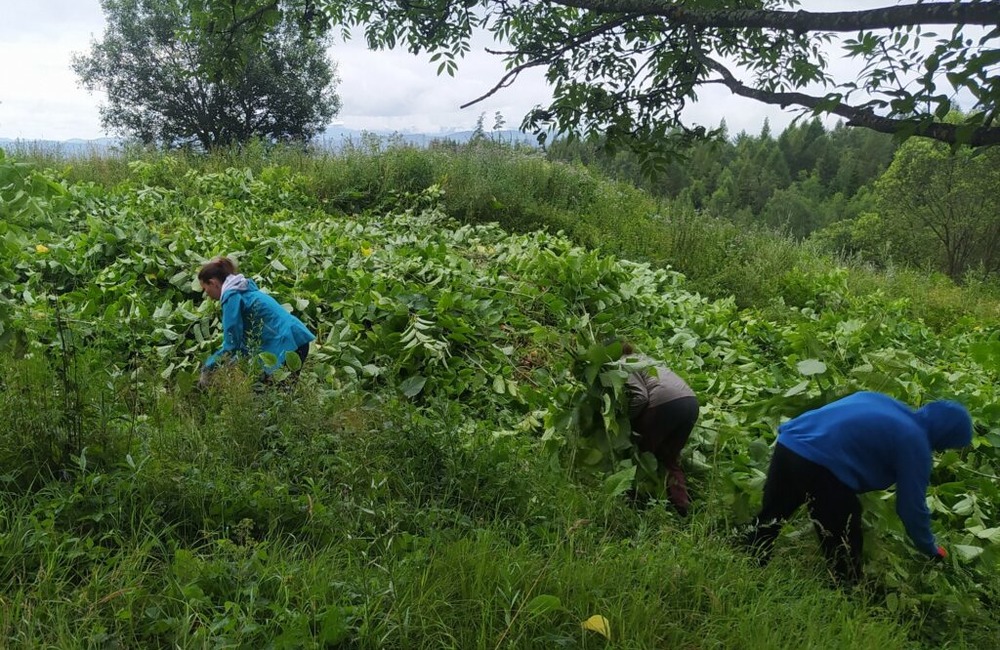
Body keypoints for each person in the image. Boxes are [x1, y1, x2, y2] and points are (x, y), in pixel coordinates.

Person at [743, 391, 973, 585]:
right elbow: (911, 507)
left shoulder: (884, 402)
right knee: (844, 543)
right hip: (822, 466)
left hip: (790, 445)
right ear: (945, 438)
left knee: (771, 517)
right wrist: (930, 549)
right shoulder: (915, 442)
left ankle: (743, 565)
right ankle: (846, 597)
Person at [198, 256, 315, 387]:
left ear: (213, 283)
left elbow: (231, 343)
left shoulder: (232, 297)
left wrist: (208, 367)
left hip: (287, 344)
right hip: (296, 339)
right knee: (281, 392)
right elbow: (244, 339)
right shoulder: (243, 289)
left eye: (205, 288)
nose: (206, 294)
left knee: (272, 394)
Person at [621, 342, 699, 516]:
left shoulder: (622, 363)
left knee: (638, 451)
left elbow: (640, 397)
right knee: (669, 457)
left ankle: (632, 501)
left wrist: (627, 420)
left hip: (665, 403)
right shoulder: (646, 359)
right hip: (690, 402)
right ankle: (682, 507)